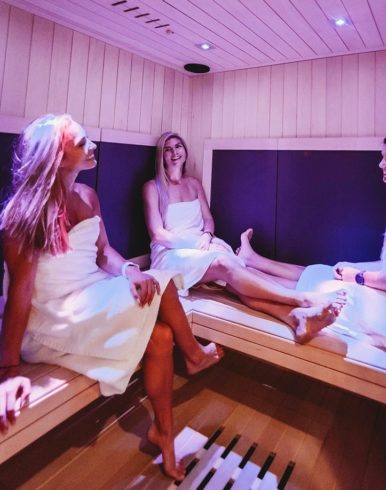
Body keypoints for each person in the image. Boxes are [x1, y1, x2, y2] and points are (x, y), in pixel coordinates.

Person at [0, 114, 224, 480]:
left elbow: (104, 252)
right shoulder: (25, 213)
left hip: (93, 292)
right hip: (53, 315)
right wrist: (8, 370)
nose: (93, 147)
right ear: (58, 156)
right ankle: (195, 356)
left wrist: (129, 271)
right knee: (163, 281)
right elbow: (21, 294)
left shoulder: (87, 195)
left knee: (162, 334)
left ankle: (163, 435)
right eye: (82, 143)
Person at [234, 131, 386, 354]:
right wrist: (355, 268)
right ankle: (250, 262)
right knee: (324, 271)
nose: (381, 164)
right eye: (382, 157)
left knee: (323, 288)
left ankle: (239, 274)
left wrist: (357, 276)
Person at [143, 132, 347, 343]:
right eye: (167, 149)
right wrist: (199, 244)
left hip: (201, 247)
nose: (174, 153)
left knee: (237, 281)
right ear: (161, 156)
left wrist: (207, 236)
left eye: (178, 146)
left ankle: (296, 318)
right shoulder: (153, 187)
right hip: (171, 256)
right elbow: (158, 235)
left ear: (185, 151)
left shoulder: (193, 184)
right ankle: (304, 299)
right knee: (225, 263)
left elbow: (208, 220)